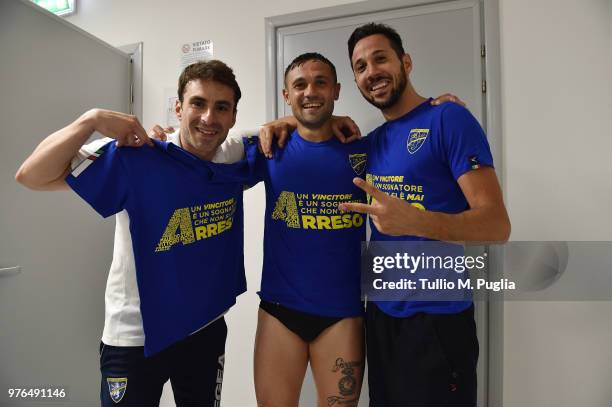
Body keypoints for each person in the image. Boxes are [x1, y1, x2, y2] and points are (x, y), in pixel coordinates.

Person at [15, 60, 252, 407]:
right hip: (133, 336)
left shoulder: (233, 155)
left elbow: (290, 129)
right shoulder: (138, 156)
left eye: (221, 107)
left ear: (233, 117)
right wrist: (91, 120)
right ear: (178, 107)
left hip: (204, 329)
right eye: (198, 103)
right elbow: (31, 175)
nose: (208, 118)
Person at [337, 23, 511, 407]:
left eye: (380, 58)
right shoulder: (375, 140)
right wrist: (280, 123)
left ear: (406, 62)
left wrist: (415, 220)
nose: (372, 72)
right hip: (380, 317)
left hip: (437, 321)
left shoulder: (449, 119)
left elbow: (497, 225)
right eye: (361, 66)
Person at [248, 52, 369, 407]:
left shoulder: (364, 150)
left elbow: (410, 139)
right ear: (287, 94)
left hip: (342, 314)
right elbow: (208, 147)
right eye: (299, 85)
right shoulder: (270, 148)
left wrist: (438, 109)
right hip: (279, 311)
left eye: (320, 82)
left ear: (336, 90)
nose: (310, 91)